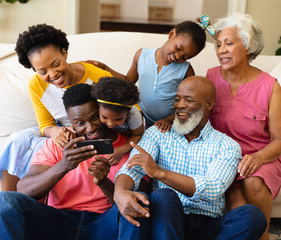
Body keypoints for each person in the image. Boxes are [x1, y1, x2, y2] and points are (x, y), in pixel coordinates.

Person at [113, 76, 267, 240]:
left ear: (208, 104)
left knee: (253, 216)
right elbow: (132, 168)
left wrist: (160, 172)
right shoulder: (157, 133)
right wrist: (120, 191)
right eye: (177, 99)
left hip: (208, 226)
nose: (180, 105)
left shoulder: (227, 145)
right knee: (163, 196)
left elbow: (213, 189)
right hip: (167, 220)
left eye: (188, 100)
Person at [0, 84, 147, 240]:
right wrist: (63, 166)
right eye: (80, 123)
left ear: (102, 111)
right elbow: (23, 191)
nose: (90, 128)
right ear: (70, 122)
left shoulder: (128, 148)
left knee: (137, 200)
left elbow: (140, 198)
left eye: (94, 117)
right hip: (56, 221)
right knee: (4, 200)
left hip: (102, 224)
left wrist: (103, 182)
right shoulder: (59, 144)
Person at [0, 24, 112, 191]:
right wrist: (54, 132)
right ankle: (9, 201)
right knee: (18, 139)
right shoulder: (36, 85)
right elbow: (45, 125)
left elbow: (121, 113)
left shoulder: (97, 76)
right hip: (61, 130)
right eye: (42, 71)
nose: (53, 74)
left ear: (64, 53)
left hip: (93, 129)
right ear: (34, 70)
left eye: (56, 64)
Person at [206, 13, 281, 240]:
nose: (221, 50)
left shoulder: (270, 86)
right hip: (225, 156)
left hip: (261, 153)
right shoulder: (210, 78)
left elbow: (280, 140)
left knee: (253, 182)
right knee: (238, 206)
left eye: (229, 44)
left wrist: (259, 158)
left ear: (249, 47)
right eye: (219, 44)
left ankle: (264, 236)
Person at [87, 15, 214, 131]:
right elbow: (127, 81)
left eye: (185, 57)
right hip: (140, 116)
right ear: (171, 34)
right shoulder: (142, 55)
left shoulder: (185, 69)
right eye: (178, 48)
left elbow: (188, 103)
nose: (178, 56)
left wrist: (169, 120)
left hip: (167, 122)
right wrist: (104, 67)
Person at [91, 77, 144, 166]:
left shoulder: (133, 115)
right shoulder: (96, 108)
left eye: (118, 119)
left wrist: (122, 150)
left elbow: (138, 134)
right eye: (104, 117)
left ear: (128, 111)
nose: (110, 124)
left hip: (128, 140)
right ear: (98, 108)